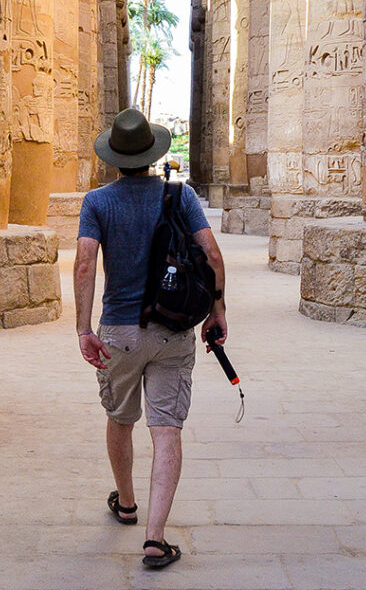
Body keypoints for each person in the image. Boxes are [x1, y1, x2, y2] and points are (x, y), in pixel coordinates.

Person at [74, 108, 227, 570]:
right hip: (172, 329)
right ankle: (156, 539)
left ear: (114, 157)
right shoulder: (180, 196)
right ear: (152, 154)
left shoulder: (96, 202)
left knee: (121, 418)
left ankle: (126, 503)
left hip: (118, 331)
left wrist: (83, 328)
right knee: (166, 430)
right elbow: (212, 254)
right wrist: (216, 313)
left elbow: (84, 264)